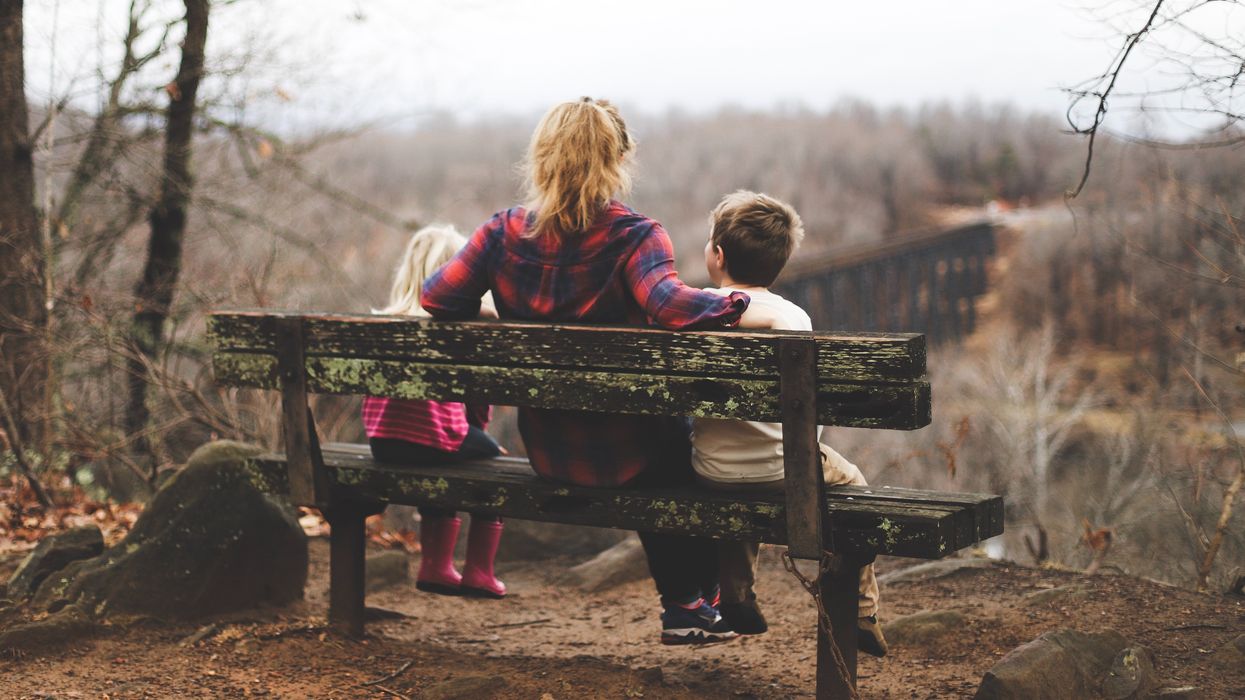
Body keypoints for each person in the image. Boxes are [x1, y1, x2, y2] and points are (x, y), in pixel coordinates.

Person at [421, 97, 749, 645]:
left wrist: (491, 312)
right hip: (632, 454)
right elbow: (670, 306)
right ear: (619, 159)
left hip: (550, 451)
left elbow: (437, 298)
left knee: (665, 441)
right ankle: (692, 602)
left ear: (542, 158)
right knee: (685, 444)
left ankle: (694, 603)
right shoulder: (635, 236)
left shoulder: (501, 233)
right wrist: (737, 303)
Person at [691, 190, 888, 656]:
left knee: (739, 473)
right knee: (853, 484)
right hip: (787, 470)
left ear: (717, 256)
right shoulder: (793, 317)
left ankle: (736, 594)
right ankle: (862, 609)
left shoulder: (694, 310)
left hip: (711, 471)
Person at [362, 225, 508, 599]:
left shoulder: (384, 322)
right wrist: (482, 438)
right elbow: (475, 401)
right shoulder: (455, 326)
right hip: (433, 440)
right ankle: (478, 572)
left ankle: (436, 566)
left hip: (383, 443)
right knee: (493, 463)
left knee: (443, 452)